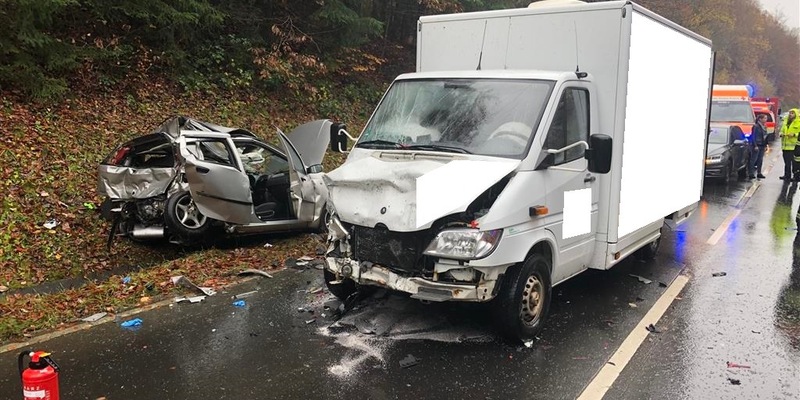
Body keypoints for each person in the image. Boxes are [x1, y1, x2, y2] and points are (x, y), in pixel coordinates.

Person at [779, 108, 800, 180]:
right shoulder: (786, 121)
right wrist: (781, 134)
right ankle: (787, 175)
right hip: (785, 146)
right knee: (786, 162)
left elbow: (799, 133)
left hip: (794, 146)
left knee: (793, 162)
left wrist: (794, 135)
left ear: (796, 114)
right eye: (790, 113)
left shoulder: (798, 122)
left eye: (792, 113)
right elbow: (781, 130)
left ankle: (795, 175)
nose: (790, 114)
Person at [749, 113, 768, 179]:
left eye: (766, 118)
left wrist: (766, 145)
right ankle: (751, 173)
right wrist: (755, 145)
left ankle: (759, 173)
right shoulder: (756, 126)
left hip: (762, 145)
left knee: (760, 160)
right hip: (757, 145)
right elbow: (753, 136)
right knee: (753, 159)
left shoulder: (764, 126)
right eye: (764, 118)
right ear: (760, 119)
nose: (766, 119)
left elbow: (765, 136)